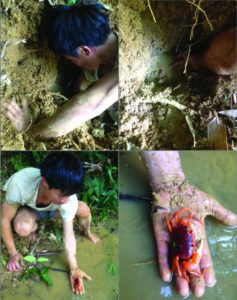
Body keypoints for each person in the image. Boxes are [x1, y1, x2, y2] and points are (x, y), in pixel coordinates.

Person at [5, 3, 118, 140]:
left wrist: (29, 129)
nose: (72, 63)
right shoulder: (105, 51)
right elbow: (82, 85)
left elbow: (88, 104)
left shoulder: (125, 68)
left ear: (84, 50)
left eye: (70, 59)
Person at [141, 151, 237, 298]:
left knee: (183, 248)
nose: (195, 243)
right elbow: (171, 222)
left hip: (181, 237)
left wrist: (167, 186)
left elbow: (180, 222)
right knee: (179, 261)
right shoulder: (178, 229)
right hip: (180, 240)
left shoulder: (183, 228)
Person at [1, 152, 100, 295]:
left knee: (84, 209)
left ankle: (87, 232)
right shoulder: (20, 183)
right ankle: (33, 229)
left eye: (69, 194)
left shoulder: (67, 199)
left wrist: (74, 268)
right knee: (22, 228)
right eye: (62, 194)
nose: (65, 199)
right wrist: (13, 253)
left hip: (55, 209)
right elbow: (4, 219)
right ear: (45, 182)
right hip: (32, 210)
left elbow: (69, 236)